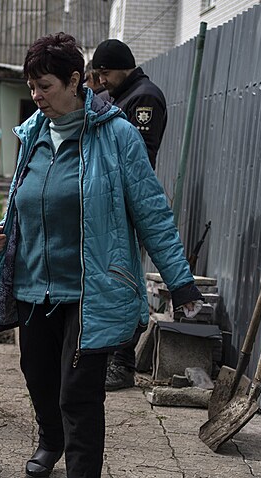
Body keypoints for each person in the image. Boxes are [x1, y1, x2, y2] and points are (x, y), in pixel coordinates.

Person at [0, 33, 202, 478]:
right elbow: (28, 200)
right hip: (34, 288)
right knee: (37, 376)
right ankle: (49, 439)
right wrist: (4, 232)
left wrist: (181, 283)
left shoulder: (116, 135)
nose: (36, 94)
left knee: (79, 393)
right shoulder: (31, 134)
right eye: (31, 85)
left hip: (91, 291)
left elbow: (151, 210)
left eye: (46, 85)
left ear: (77, 81)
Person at [91, 38, 170, 390]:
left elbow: (139, 159)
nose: (101, 79)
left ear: (123, 66)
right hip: (110, 207)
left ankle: (122, 364)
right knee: (113, 282)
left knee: (125, 284)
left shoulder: (144, 98)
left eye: (105, 72)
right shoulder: (120, 95)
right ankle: (111, 357)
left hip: (126, 206)